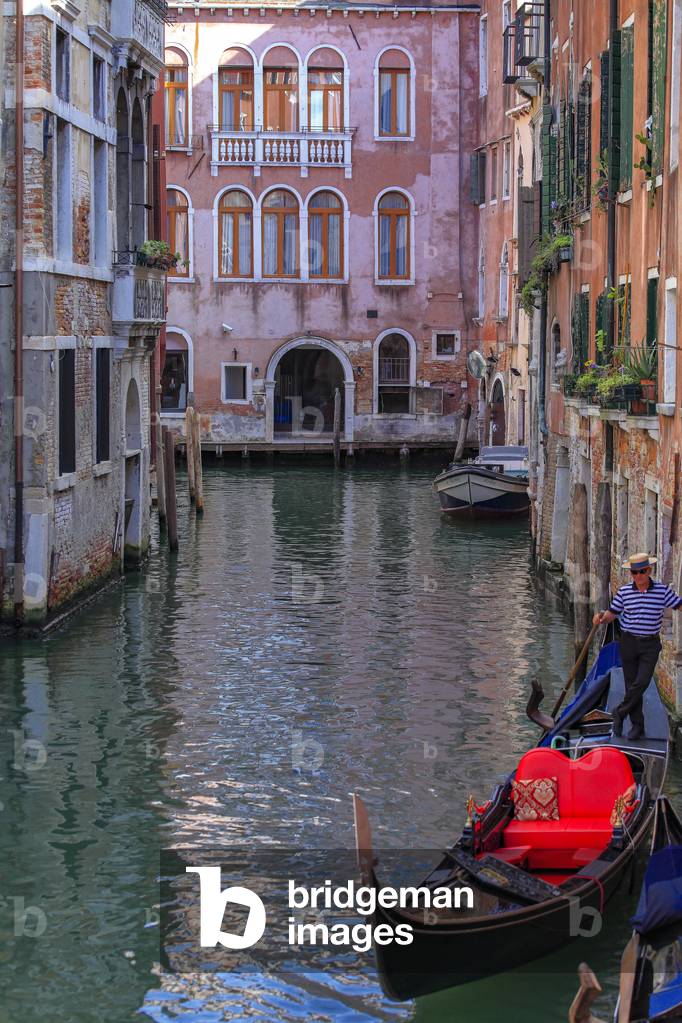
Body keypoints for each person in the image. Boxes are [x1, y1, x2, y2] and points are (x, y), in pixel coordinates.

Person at [593, 553, 682, 740]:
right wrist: (601, 618)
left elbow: (679, 605)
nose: (638, 576)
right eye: (635, 572)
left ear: (649, 571)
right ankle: (637, 726)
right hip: (629, 642)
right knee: (631, 684)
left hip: (650, 644)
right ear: (631, 574)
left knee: (641, 683)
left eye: (642, 572)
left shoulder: (662, 591)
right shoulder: (624, 592)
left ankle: (619, 712)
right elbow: (612, 613)